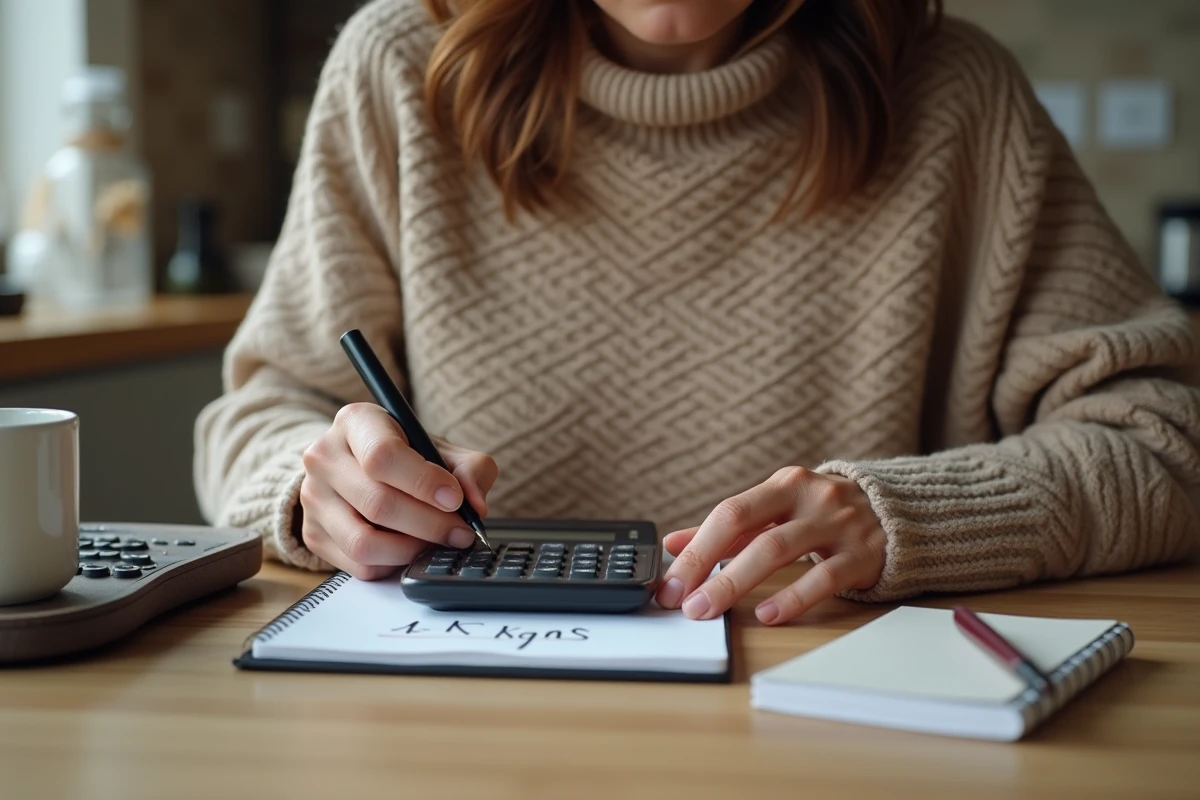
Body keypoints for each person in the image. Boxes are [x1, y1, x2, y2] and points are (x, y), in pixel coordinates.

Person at [195, 0, 1200, 626]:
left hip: (838, 729)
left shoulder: (962, 98)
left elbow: (1166, 442)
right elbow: (257, 419)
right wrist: (316, 492)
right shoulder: (396, 70)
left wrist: (911, 519)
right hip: (461, 729)